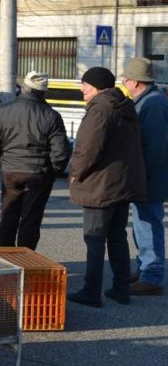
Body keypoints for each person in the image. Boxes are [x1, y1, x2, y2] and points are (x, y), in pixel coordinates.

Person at [67, 66, 146, 308]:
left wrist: (75, 174)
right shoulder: (124, 105)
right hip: (122, 184)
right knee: (117, 239)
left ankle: (91, 292)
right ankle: (121, 290)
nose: (82, 89)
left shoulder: (100, 109)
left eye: (86, 85)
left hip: (101, 186)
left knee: (94, 239)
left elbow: (88, 149)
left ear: (97, 86)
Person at [0, 71, 71, 250]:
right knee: (31, 219)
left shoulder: (2, 112)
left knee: (8, 215)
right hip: (39, 173)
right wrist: (53, 170)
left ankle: (6, 257)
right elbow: (61, 152)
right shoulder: (51, 115)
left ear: (23, 88)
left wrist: (3, 161)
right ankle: (26, 260)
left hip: (10, 171)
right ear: (44, 92)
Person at [120, 57, 168, 296]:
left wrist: (139, 175)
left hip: (150, 179)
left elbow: (154, 148)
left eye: (125, 79)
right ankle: (145, 269)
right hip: (146, 178)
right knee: (142, 225)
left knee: (148, 225)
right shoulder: (149, 100)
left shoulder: (153, 104)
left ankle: (152, 275)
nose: (124, 83)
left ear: (135, 81)